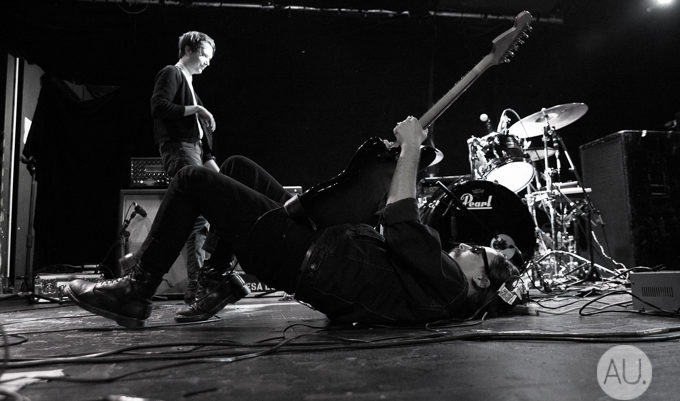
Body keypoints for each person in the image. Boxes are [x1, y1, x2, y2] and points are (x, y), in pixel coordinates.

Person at [66, 116, 521, 328]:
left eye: (474, 252)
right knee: (239, 167)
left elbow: (402, 222)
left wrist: (411, 150)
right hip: (313, 245)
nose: (463, 247)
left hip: (301, 255)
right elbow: (392, 227)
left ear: (481, 278)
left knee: (191, 179)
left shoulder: (452, 284)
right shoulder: (442, 284)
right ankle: (219, 278)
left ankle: (136, 291)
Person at [150, 31, 231, 309]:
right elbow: (159, 106)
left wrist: (213, 167)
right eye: (205, 54)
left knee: (204, 216)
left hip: (193, 151)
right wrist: (196, 109)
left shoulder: (191, 86)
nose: (208, 61)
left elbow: (201, 143)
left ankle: (198, 284)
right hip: (180, 149)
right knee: (198, 218)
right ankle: (197, 289)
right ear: (188, 49)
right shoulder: (172, 73)